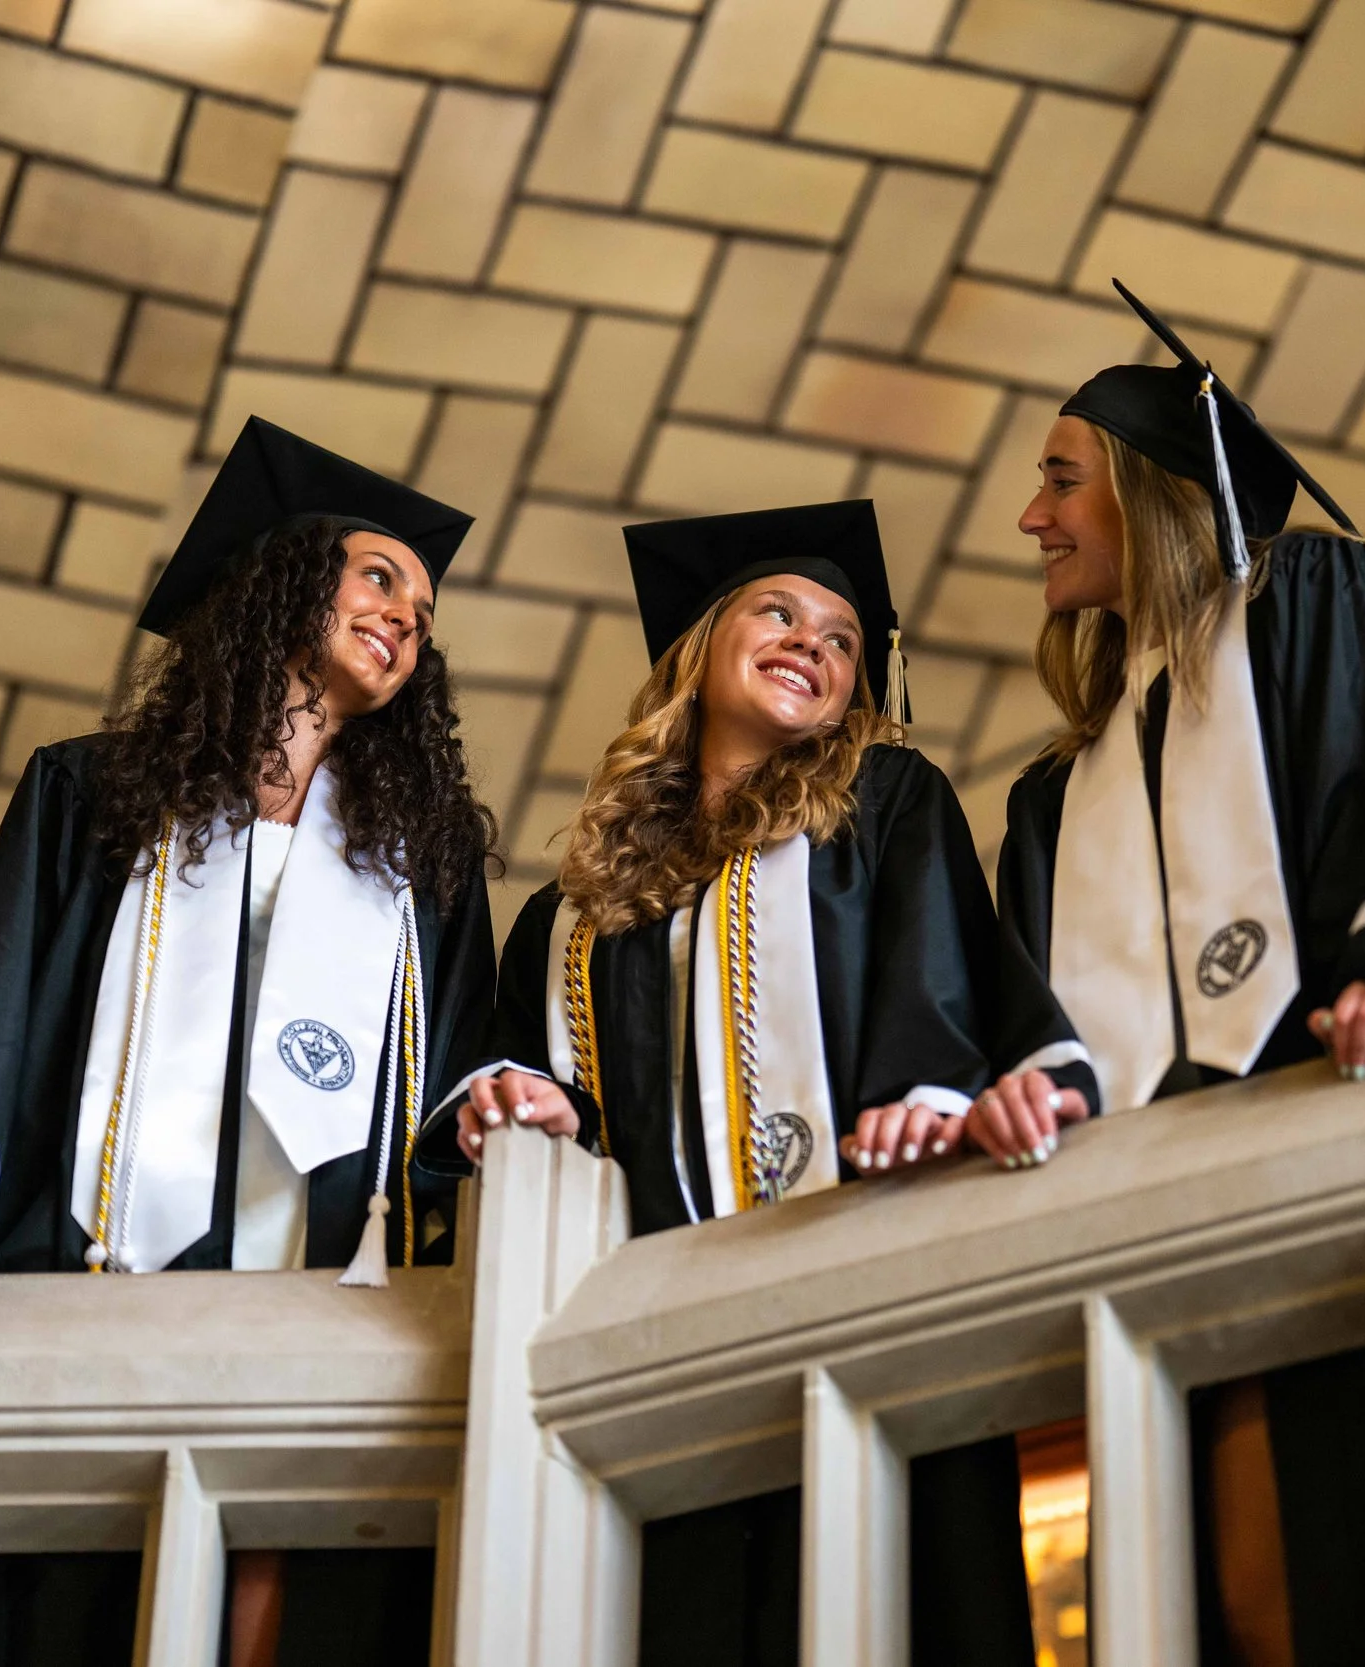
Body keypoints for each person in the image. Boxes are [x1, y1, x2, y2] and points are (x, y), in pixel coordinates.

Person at [0, 416, 498, 1667]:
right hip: (87, 1284)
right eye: (381, 575)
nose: (409, 614)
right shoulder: (95, 796)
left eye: (426, 606)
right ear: (285, 581)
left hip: (311, 1319)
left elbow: (455, 1093)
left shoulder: (422, 871)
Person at [994, 284, 1365, 1667]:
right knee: (1223, 1586)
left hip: (1325, 1132)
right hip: (1142, 1224)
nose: (1032, 517)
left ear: (1155, 492)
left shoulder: (1309, 597)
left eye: (1062, 479)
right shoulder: (1044, 803)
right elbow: (1032, 1011)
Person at [422, 500, 1092, 1667]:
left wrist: (925, 1093)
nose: (814, 645)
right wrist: (527, 1102)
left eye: (840, 639)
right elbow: (537, 1080)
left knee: (891, 1599)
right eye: (779, 612)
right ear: (698, 642)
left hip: (861, 1274)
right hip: (660, 1349)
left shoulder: (883, 804)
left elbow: (937, 974)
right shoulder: (570, 912)